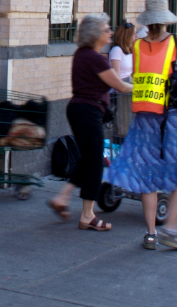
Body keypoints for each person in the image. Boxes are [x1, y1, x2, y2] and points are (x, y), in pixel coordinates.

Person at [105, 0, 177, 251]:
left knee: (147, 179)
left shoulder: (137, 45)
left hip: (143, 120)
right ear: (166, 19)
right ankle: (171, 230)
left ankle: (151, 233)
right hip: (172, 119)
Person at [48, 13, 133, 231]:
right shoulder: (95, 58)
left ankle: (64, 198)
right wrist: (149, 87)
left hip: (81, 109)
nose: (110, 32)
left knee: (90, 159)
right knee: (94, 161)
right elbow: (121, 86)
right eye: (106, 29)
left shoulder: (82, 54)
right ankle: (87, 215)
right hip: (88, 111)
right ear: (96, 34)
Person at [110, 21, 136, 137]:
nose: (136, 37)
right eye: (134, 34)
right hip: (121, 89)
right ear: (127, 36)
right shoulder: (117, 50)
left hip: (129, 85)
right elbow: (116, 74)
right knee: (124, 122)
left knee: (131, 120)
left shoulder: (129, 51)